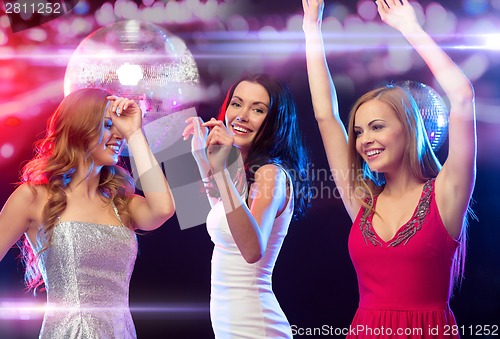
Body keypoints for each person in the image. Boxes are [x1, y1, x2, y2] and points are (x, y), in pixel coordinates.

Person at [303, 0, 475, 338]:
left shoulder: (447, 193)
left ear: (409, 129)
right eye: (359, 131)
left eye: (377, 126)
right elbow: (325, 116)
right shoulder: (362, 201)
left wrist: (410, 28)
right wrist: (311, 27)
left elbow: (463, 97)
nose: (365, 139)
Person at [0, 88, 175, 338]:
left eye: (119, 128)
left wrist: (135, 133)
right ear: (78, 128)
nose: (118, 135)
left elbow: (163, 209)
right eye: (107, 125)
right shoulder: (34, 197)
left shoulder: (121, 202)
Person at [183, 73, 311, 338]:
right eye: (237, 104)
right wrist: (200, 155)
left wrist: (220, 171)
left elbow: (252, 249)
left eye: (258, 109)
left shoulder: (270, 174)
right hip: (230, 323)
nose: (242, 115)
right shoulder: (243, 172)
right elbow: (226, 215)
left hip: (254, 325)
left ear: (275, 122)